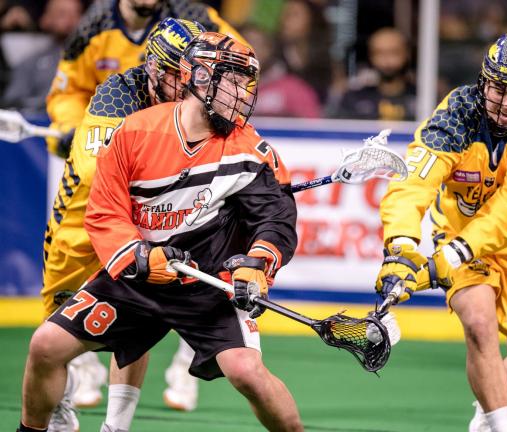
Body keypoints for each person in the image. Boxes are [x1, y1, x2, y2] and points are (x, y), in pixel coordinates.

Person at [18, 31, 303, 432]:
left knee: (246, 372)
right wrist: (138, 257)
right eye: (234, 80)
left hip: (207, 285)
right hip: (138, 280)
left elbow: (275, 219)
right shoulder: (134, 130)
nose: (243, 92)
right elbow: (104, 213)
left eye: (246, 82)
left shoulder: (250, 149)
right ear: (200, 78)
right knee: (45, 346)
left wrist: (258, 264)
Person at [43, 0, 249, 416]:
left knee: (138, 316)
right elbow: (97, 176)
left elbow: (239, 66)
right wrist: (66, 130)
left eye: (200, 77)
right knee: (55, 330)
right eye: (183, 77)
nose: (197, 87)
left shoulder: (196, 29)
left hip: (149, 217)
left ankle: (119, 424)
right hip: (84, 226)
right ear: (157, 71)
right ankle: (61, 408)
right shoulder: (116, 94)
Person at [375, 34, 507, 432]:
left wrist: (448, 258)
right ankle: (500, 425)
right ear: (484, 81)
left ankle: (488, 402)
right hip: (459, 238)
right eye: (498, 87)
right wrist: (401, 246)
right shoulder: (457, 113)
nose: (506, 101)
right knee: (478, 323)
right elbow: (415, 182)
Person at [45, 0, 245, 158]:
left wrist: (207, 121)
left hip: (182, 143)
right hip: (114, 142)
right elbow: (68, 93)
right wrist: (73, 127)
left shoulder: (197, 18)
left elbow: (243, 67)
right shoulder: (91, 27)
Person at [0, 0, 84, 114]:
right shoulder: (30, 63)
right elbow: (11, 103)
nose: (71, 20)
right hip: (39, 124)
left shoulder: (95, 60)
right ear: (45, 20)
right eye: (62, 14)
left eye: (76, 14)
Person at [334, 27, 416, 121]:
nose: (386, 60)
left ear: (407, 54)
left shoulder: (423, 98)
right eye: (379, 53)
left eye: (394, 53)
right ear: (370, 56)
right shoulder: (353, 99)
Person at [240, 23, 321, 118]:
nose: (251, 49)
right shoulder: (224, 85)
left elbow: (311, 128)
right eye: (245, 43)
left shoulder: (294, 88)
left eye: (257, 43)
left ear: (269, 49)